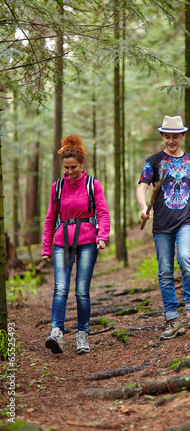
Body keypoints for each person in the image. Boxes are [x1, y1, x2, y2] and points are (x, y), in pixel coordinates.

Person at [136, 115, 190, 341]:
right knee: (164, 271)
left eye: (175, 136)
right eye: (167, 136)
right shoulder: (153, 161)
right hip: (162, 224)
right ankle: (172, 317)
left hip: (185, 220)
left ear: (182, 135)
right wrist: (143, 207)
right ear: (162, 136)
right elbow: (142, 187)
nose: (171, 140)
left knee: (185, 257)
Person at [42, 134, 110, 355]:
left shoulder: (93, 185)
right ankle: (56, 333)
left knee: (82, 291)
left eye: (73, 167)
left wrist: (103, 236)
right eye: (66, 167)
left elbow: (102, 212)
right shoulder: (57, 187)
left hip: (88, 241)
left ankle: (82, 335)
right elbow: (50, 218)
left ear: (82, 164)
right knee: (60, 289)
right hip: (61, 242)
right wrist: (46, 247)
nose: (69, 172)